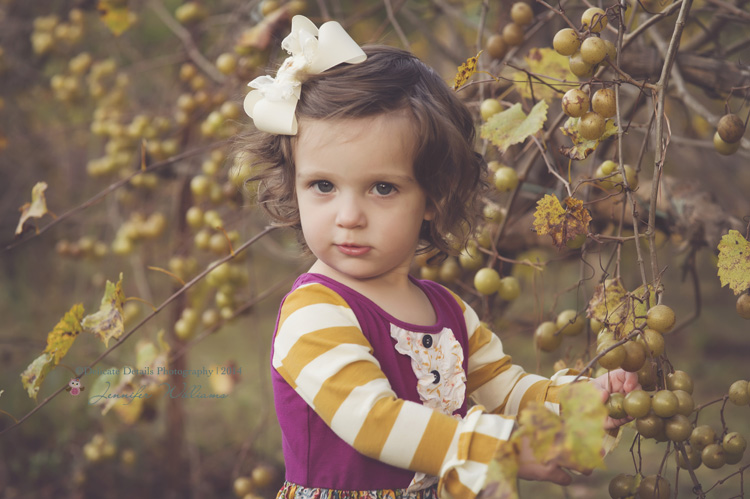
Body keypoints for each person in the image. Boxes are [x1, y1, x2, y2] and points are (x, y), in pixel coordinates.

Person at [241, 15, 639, 499]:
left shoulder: (447, 309)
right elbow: (373, 421)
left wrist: (576, 405)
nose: (348, 216)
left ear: (434, 198)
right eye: (322, 185)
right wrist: (506, 450)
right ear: (294, 184)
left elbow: (506, 391)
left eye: (382, 188)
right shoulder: (314, 312)